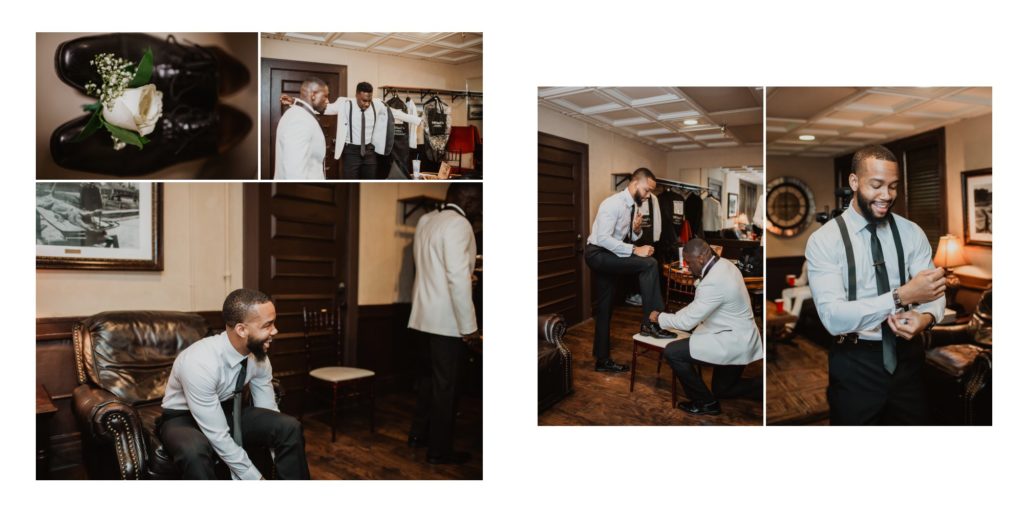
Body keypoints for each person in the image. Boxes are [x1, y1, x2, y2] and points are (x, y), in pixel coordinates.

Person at [805, 144, 946, 425]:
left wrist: (926, 317)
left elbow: (933, 291)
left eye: (893, 186)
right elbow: (833, 318)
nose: (887, 196)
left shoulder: (911, 233)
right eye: (877, 185)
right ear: (854, 182)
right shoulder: (824, 241)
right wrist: (901, 295)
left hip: (908, 359)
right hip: (854, 362)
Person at [157, 289, 310, 479]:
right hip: (182, 418)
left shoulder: (259, 357)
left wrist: (274, 454)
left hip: (228, 409)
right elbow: (218, 434)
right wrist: (255, 478)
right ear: (241, 329)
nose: (275, 331)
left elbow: (268, 410)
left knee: (288, 427)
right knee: (194, 451)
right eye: (268, 325)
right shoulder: (199, 362)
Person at [407, 184, 482, 465]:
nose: (480, 207)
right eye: (479, 200)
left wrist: (465, 276)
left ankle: (418, 434)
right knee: (446, 388)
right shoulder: (460, 225)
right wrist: (470, 328)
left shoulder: (426, 220)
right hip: (446, 322)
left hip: (420, 318)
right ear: (468, 198)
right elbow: (456, 278)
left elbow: (428, 268)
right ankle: (439, 450)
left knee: (427, 382)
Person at [648, 238, 763, 415]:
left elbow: (687, 322)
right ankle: (763, 386)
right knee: (722, 390)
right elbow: (699, 306)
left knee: (673, 352)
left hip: (732, 341)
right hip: (743, 336)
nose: (687, 266)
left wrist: (660, 317)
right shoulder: (724, 264)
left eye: (689, 262)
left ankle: (706, 403)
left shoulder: (714, 281)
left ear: (701, 258)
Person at [585, 167, 674, 374]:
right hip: (598, 254)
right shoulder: (612, 204)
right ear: (634, 184)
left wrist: (636, 231)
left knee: (605, 308)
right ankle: (651, 322)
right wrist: (636, 249)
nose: (648, 195)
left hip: (610, 254)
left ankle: (602, 360)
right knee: (650, 263)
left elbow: (626, 238)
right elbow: (603, 239)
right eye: (646, 190)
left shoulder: (634, 206)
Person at [281, 82, 421, 179]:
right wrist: (295, 101)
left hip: (370, 152)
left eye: (369, 100)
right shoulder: (345, 103)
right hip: (350, 152)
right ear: (356, 95)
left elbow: (395, 113)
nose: (366, 103)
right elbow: (324, 108)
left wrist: (418, 120)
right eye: (363, 100)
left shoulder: (377, 104)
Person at [274, 77, 329, 180]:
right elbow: (294, 171)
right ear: (313, 95)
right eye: (325, 96)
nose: (327, 101)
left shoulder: (300, 114)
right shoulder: (299, 120)